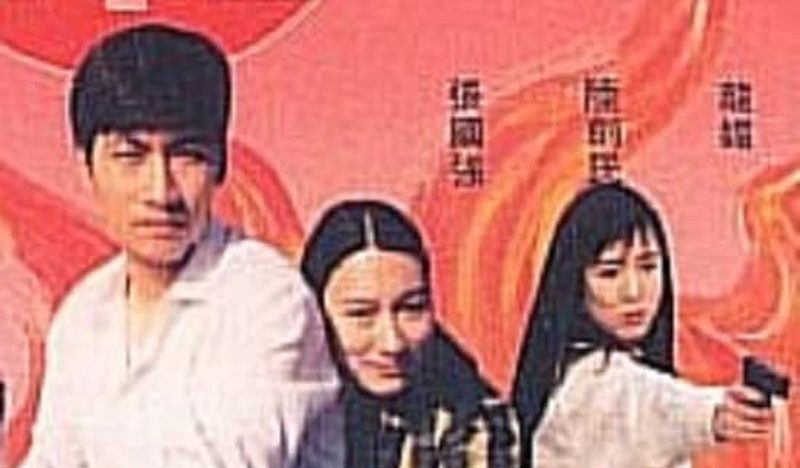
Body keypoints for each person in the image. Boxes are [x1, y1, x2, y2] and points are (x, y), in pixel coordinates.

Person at [22, 24, 343, 468]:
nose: (161, 191)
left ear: (221, 164)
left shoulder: (268, 297)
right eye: (131, 156)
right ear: (86, 167)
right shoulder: (83, 314)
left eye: (187, 155)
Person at [512, 182, 775, 468]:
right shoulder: (598, 382)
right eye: (610, 273)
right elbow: (651, 402)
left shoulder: (562, 372)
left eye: (648, 266)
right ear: (574, 283)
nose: (633, 291)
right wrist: (715, 412)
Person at [300, 200, 517, 468]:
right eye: (361, 314)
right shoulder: (283, 408)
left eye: (412, 308)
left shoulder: (472, 420)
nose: (392, 342)